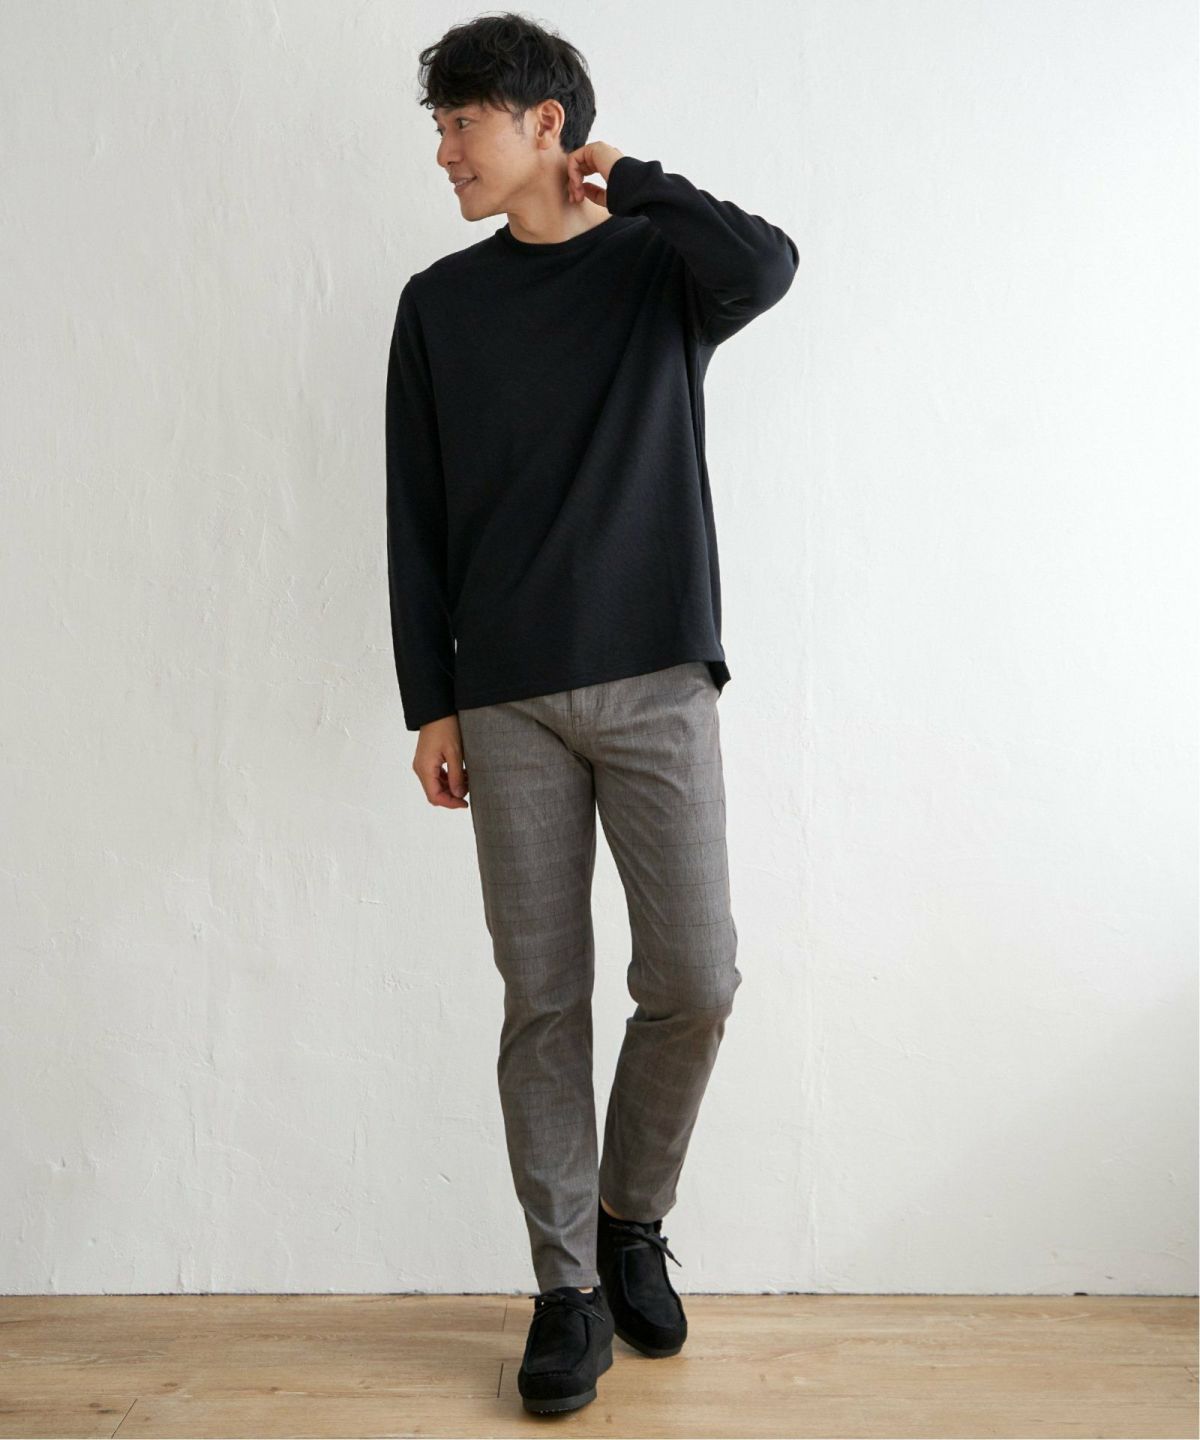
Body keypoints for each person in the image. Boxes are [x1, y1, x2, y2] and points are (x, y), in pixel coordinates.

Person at [385, 11, 798, 1415]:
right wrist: (431, 702)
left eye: (464, 123)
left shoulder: (658, 270)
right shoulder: (438, 305)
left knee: (696, 978)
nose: (446, 151)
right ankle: (567, 1289)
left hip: (658, 679)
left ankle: (632, 1220)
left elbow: (769, 264)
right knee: (543, 998)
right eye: (443, 126)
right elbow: (415, 518)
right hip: (504, 698)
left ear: (545, 123)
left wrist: (638, 177)